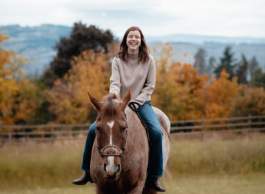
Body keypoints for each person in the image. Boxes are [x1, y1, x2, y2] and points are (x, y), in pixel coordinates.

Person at [72, 26, 165, 192]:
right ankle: (87, 171)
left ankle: (154, 177)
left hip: (142, 104)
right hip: (119, 105)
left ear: (141, 40)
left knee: (156, 132)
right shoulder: (117, 60)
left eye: (137, 37)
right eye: (130, 37)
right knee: (93, 129)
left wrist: (138, 101)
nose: (133, 40)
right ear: (126, 40)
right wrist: (115, 99)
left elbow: (150, 86)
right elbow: (115, 83)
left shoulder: (149, 60)